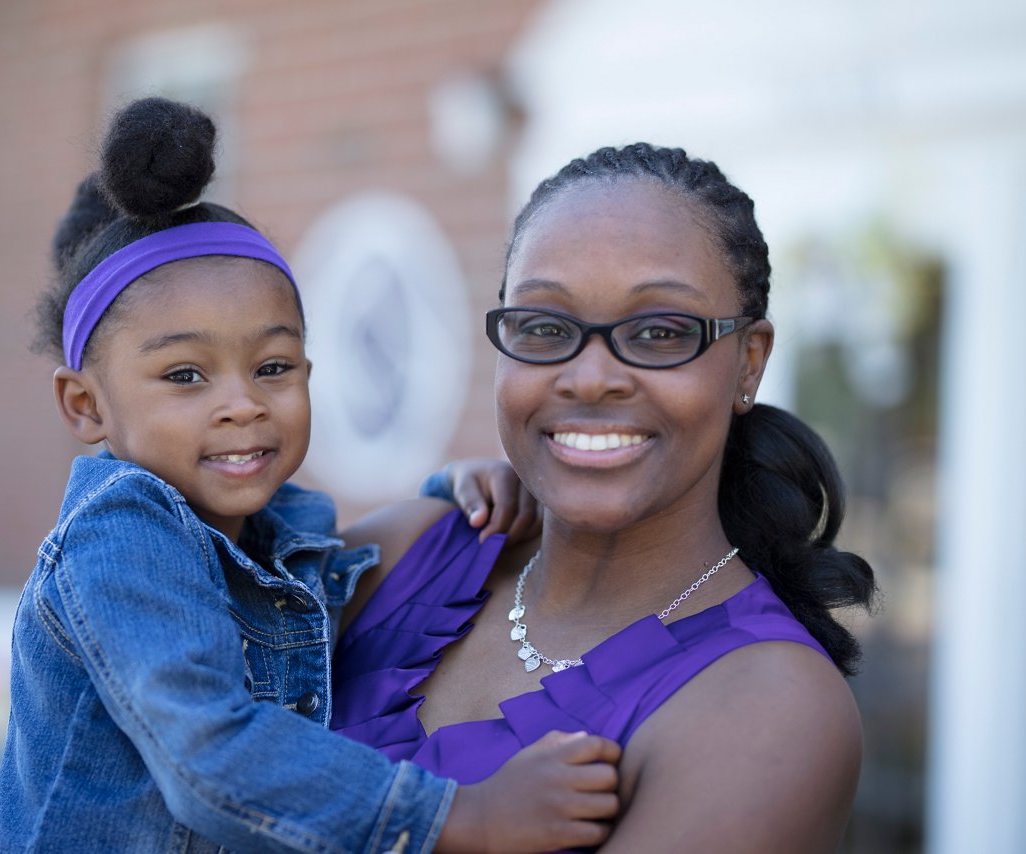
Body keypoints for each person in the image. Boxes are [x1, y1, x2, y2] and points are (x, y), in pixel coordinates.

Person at [0, 97, 622, 854]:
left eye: (273, 367)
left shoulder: (265, 528)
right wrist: (460, 817)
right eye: (186, 374)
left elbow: (326, 584)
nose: (242, 403)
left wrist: (455, 490)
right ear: (86, 406)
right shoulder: (121, 535)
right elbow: (211, 752)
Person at [332, 143, 877, 852]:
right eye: (546, 327)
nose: (590, 379)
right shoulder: (407, 553)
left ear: (749, 363)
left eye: (659, 333)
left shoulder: (772, 707)